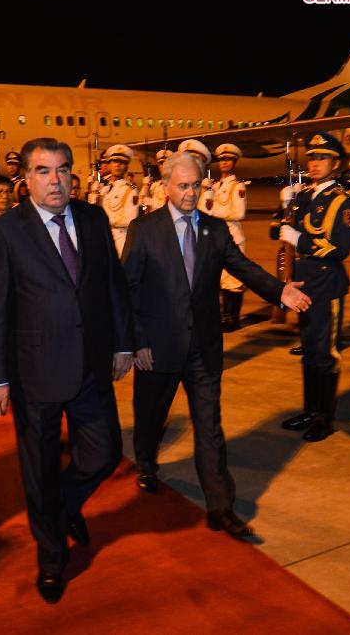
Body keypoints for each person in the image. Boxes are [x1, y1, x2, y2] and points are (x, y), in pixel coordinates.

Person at [0, 138, 133, 604]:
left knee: (103, 452)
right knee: (39, 469)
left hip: (90, 363)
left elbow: (111, 284)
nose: (56, 180)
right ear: (26, 179)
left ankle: (63, 507)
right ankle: (50, 557)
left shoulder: (92, 217)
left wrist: (124, 342)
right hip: (34, 371)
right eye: (44, 171)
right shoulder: (6, 231)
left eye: (63, 170)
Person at [122, 151, 310, 535]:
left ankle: (220, 506)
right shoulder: (144, 230)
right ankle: (146, 463)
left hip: (203, 349)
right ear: (166, 187)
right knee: (150, 415)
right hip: (156, 348)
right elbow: (129, 291)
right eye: (183, 186)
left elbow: (242, 267)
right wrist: (135, 342)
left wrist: (279, 292)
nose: (191, 193)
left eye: (196, 185)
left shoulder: (214, 229)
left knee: (209, 427)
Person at [272, 132, 350, 442]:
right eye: (312, 157)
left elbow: (340, 248)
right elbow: (276, 231)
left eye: (322, 158)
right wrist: (284, 208)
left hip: (327, 284)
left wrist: (300, 240)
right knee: (308, 351)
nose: (315, 163)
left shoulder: (342, 200)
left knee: (325, 353)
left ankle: (325, 417)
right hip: (303, 281)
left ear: (336, 163)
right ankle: (309, 410)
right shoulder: (304, 195)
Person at [198, 143, 248, 330]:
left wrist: (214, 211)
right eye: (221, 160)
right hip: (214, 236)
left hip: (231, 235)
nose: (224, 163)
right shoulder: (215, 185)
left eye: (228, 159)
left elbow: (239, 212)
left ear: (234, 162)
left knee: (232, 279)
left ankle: (231, 318)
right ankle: (220, 315)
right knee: (216, 277)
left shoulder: (237, 186)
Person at [96, 144, 139, 255]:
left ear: (127, 167)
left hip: (121, 239)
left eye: (123, 162)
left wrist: (105, 221)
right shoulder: (103, 190)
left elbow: (131, 219)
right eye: (114, 161)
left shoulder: (131, 190)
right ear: (109, 165)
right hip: (103, 238)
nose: (118, 165)